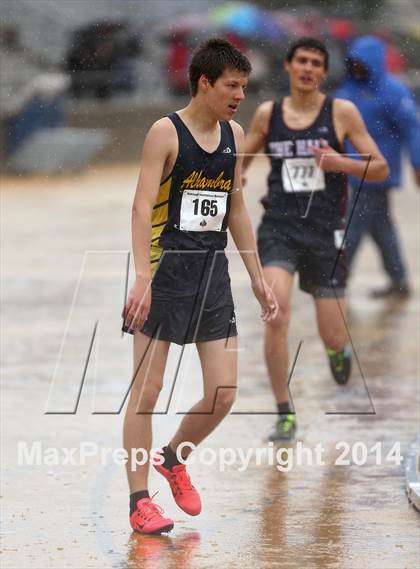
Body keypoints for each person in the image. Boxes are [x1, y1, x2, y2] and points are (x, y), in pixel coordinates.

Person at [122, 38, 277, 535]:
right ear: (204, 82)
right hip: (163, 274)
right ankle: (138, 501)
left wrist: (256, 278)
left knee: (224, 394)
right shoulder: (164, 132)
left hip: (212, 279)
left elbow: (234, 210)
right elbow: (142, 206)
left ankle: (173, 457)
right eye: (231, 86)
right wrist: (142, 277)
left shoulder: (233, 133)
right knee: (148, 390)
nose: (239, 96)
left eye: (244, 87)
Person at [243, 37, 388, 442]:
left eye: (316, 63)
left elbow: (379, 167)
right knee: (277, 311)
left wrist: (338, 161)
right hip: (279, 228)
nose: (308, 68)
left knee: (334, 333)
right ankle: (284, 412)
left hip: (325, 233)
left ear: (324, 72)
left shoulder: (340, 112)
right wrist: (228, 178)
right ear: (288, 67)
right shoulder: (267, 114)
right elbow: (240, 159)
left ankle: (336, 351)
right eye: (301, 61)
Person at [336, 35, 420, 299]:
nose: (357, 67)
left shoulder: (393, 91)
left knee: (353, 225)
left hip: (377, 172)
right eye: (354, 62)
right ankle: (398, 280)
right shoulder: (347, 90)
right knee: (381, 227)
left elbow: (413, 128)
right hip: (351, 170)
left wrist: (417, 164)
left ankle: (336, 280)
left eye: (362, 62)